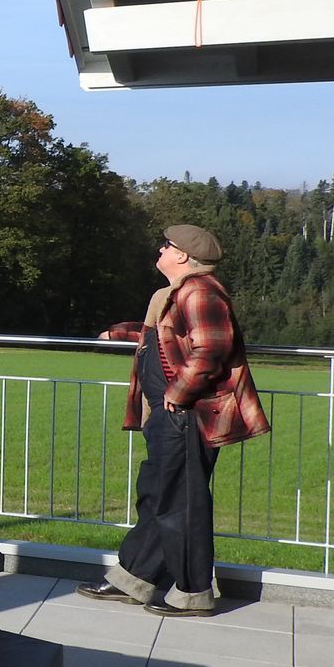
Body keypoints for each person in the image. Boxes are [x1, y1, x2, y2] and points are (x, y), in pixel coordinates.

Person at [76, 223, 269, 617]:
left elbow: (211, 348)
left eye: (166, 245)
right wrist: (121, 333)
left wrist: (178, 393)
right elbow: (168, 337)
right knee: (157, 495)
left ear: (182, 255)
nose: (161, 250)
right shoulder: (178, 293)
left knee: (181, 503)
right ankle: (134, 578)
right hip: (170, 416)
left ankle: (194, 592)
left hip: (187, 415)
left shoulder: (201, 291)